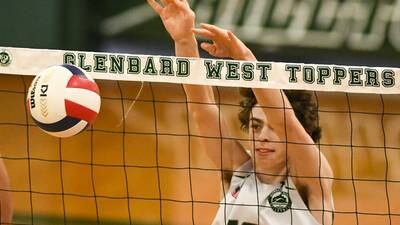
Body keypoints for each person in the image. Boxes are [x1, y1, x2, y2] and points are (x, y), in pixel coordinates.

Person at [147, 0, 334, 224]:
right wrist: (185, 39)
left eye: (274, 129)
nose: (263, 136)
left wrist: (245, 58)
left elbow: (287, 123)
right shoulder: (237, 170)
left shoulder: (312, 178)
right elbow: (201, 106)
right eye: (256, 125)